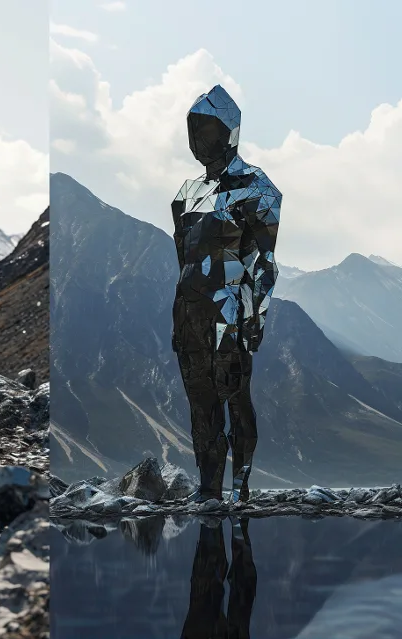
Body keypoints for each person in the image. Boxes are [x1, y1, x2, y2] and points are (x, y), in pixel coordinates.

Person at [172, 85, 281, 505]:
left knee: (235, 397)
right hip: (190, 312)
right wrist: (178, 314)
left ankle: (242, 486)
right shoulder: (185, 194)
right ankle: (208, 488)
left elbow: (264, 263)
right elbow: (182, 260)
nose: (197, 139)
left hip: (231, 312)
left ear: (227, 130)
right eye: (193, 128)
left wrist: (255, 320)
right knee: (200, 403)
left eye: (205, 128)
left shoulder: (258, 188)